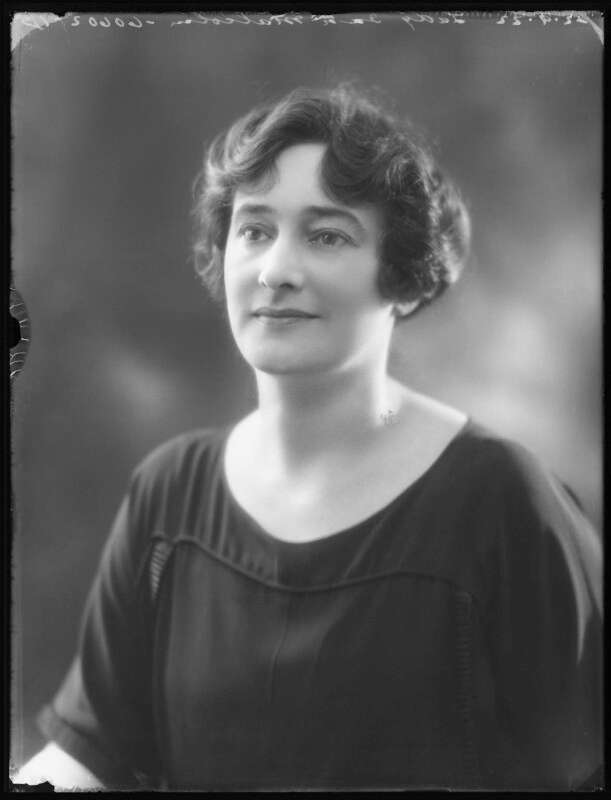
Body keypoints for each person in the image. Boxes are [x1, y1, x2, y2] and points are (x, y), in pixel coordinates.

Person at [15, 85, 602, 791]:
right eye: (255, 229)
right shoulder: (170, 493)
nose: (275, 271)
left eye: (326, 235)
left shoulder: (500, 502)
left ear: (403, 276)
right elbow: (92, 755)